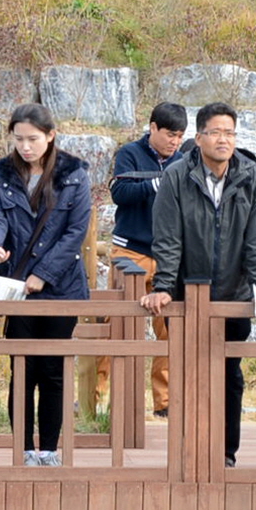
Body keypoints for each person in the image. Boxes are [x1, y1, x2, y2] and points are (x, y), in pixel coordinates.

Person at [141, 103, 256, 468]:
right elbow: (167, 235)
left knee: (229, 375)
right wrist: (165, 285)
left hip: (233, 293)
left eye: (229, 132)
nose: (223, 139)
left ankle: (225, 453)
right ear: (198, 137)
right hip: (187, 292)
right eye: (215, 132)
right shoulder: (176, 176)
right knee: (187, 374)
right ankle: (190, 450)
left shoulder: (252, 176)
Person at [0, 104, 93, 467]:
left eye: (33, 139)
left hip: (60, 286)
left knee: (53, 369)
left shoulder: (74, 174)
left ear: (51, 135)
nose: (26, 147)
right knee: (22, 368)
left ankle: (48, 448)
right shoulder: (3, 173)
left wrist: (43, 274)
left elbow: (75, 233)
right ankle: (22, 449)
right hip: (16, 283)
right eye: (19, 139)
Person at [108, 102, 187, 420]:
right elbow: (120, 193)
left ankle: (164, 402)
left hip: (168, 255)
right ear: (152, 127)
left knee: (169, 328)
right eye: (170, 134)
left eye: (180, 136)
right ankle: (101, 399)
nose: (175, 142)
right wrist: (159, 182)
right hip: (130, 251)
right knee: (115, 324)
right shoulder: (129, 152)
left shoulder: (184, 159)